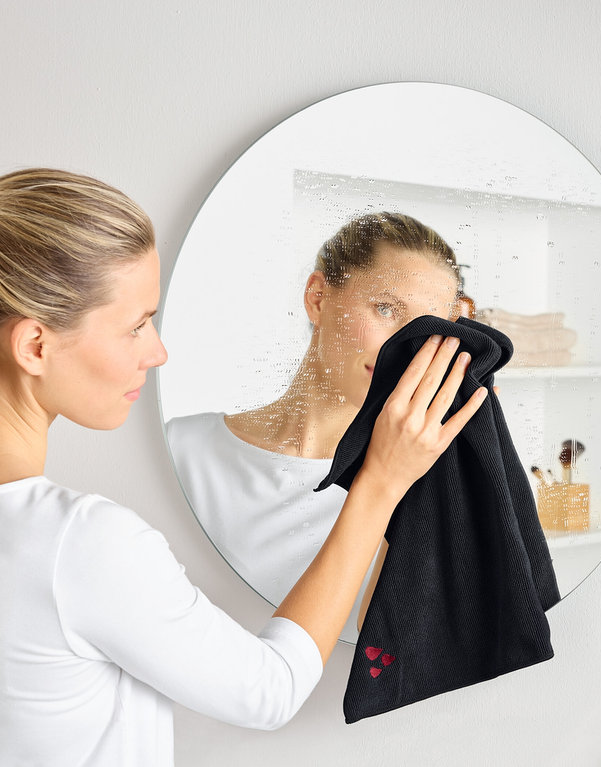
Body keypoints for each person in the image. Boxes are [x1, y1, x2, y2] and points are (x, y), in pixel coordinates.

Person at [0, 168, 486, 765]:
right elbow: (267, 691)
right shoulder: (79, 543)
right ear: (34, 346)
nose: (158, 351)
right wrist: (382, 482)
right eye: (135, 326)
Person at [165, 213, 464, 625]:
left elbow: (385, 648)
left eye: (428, 331)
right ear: (318, 298)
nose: (404, 347)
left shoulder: (420, 483)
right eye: (385, 308)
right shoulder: (181, 450)